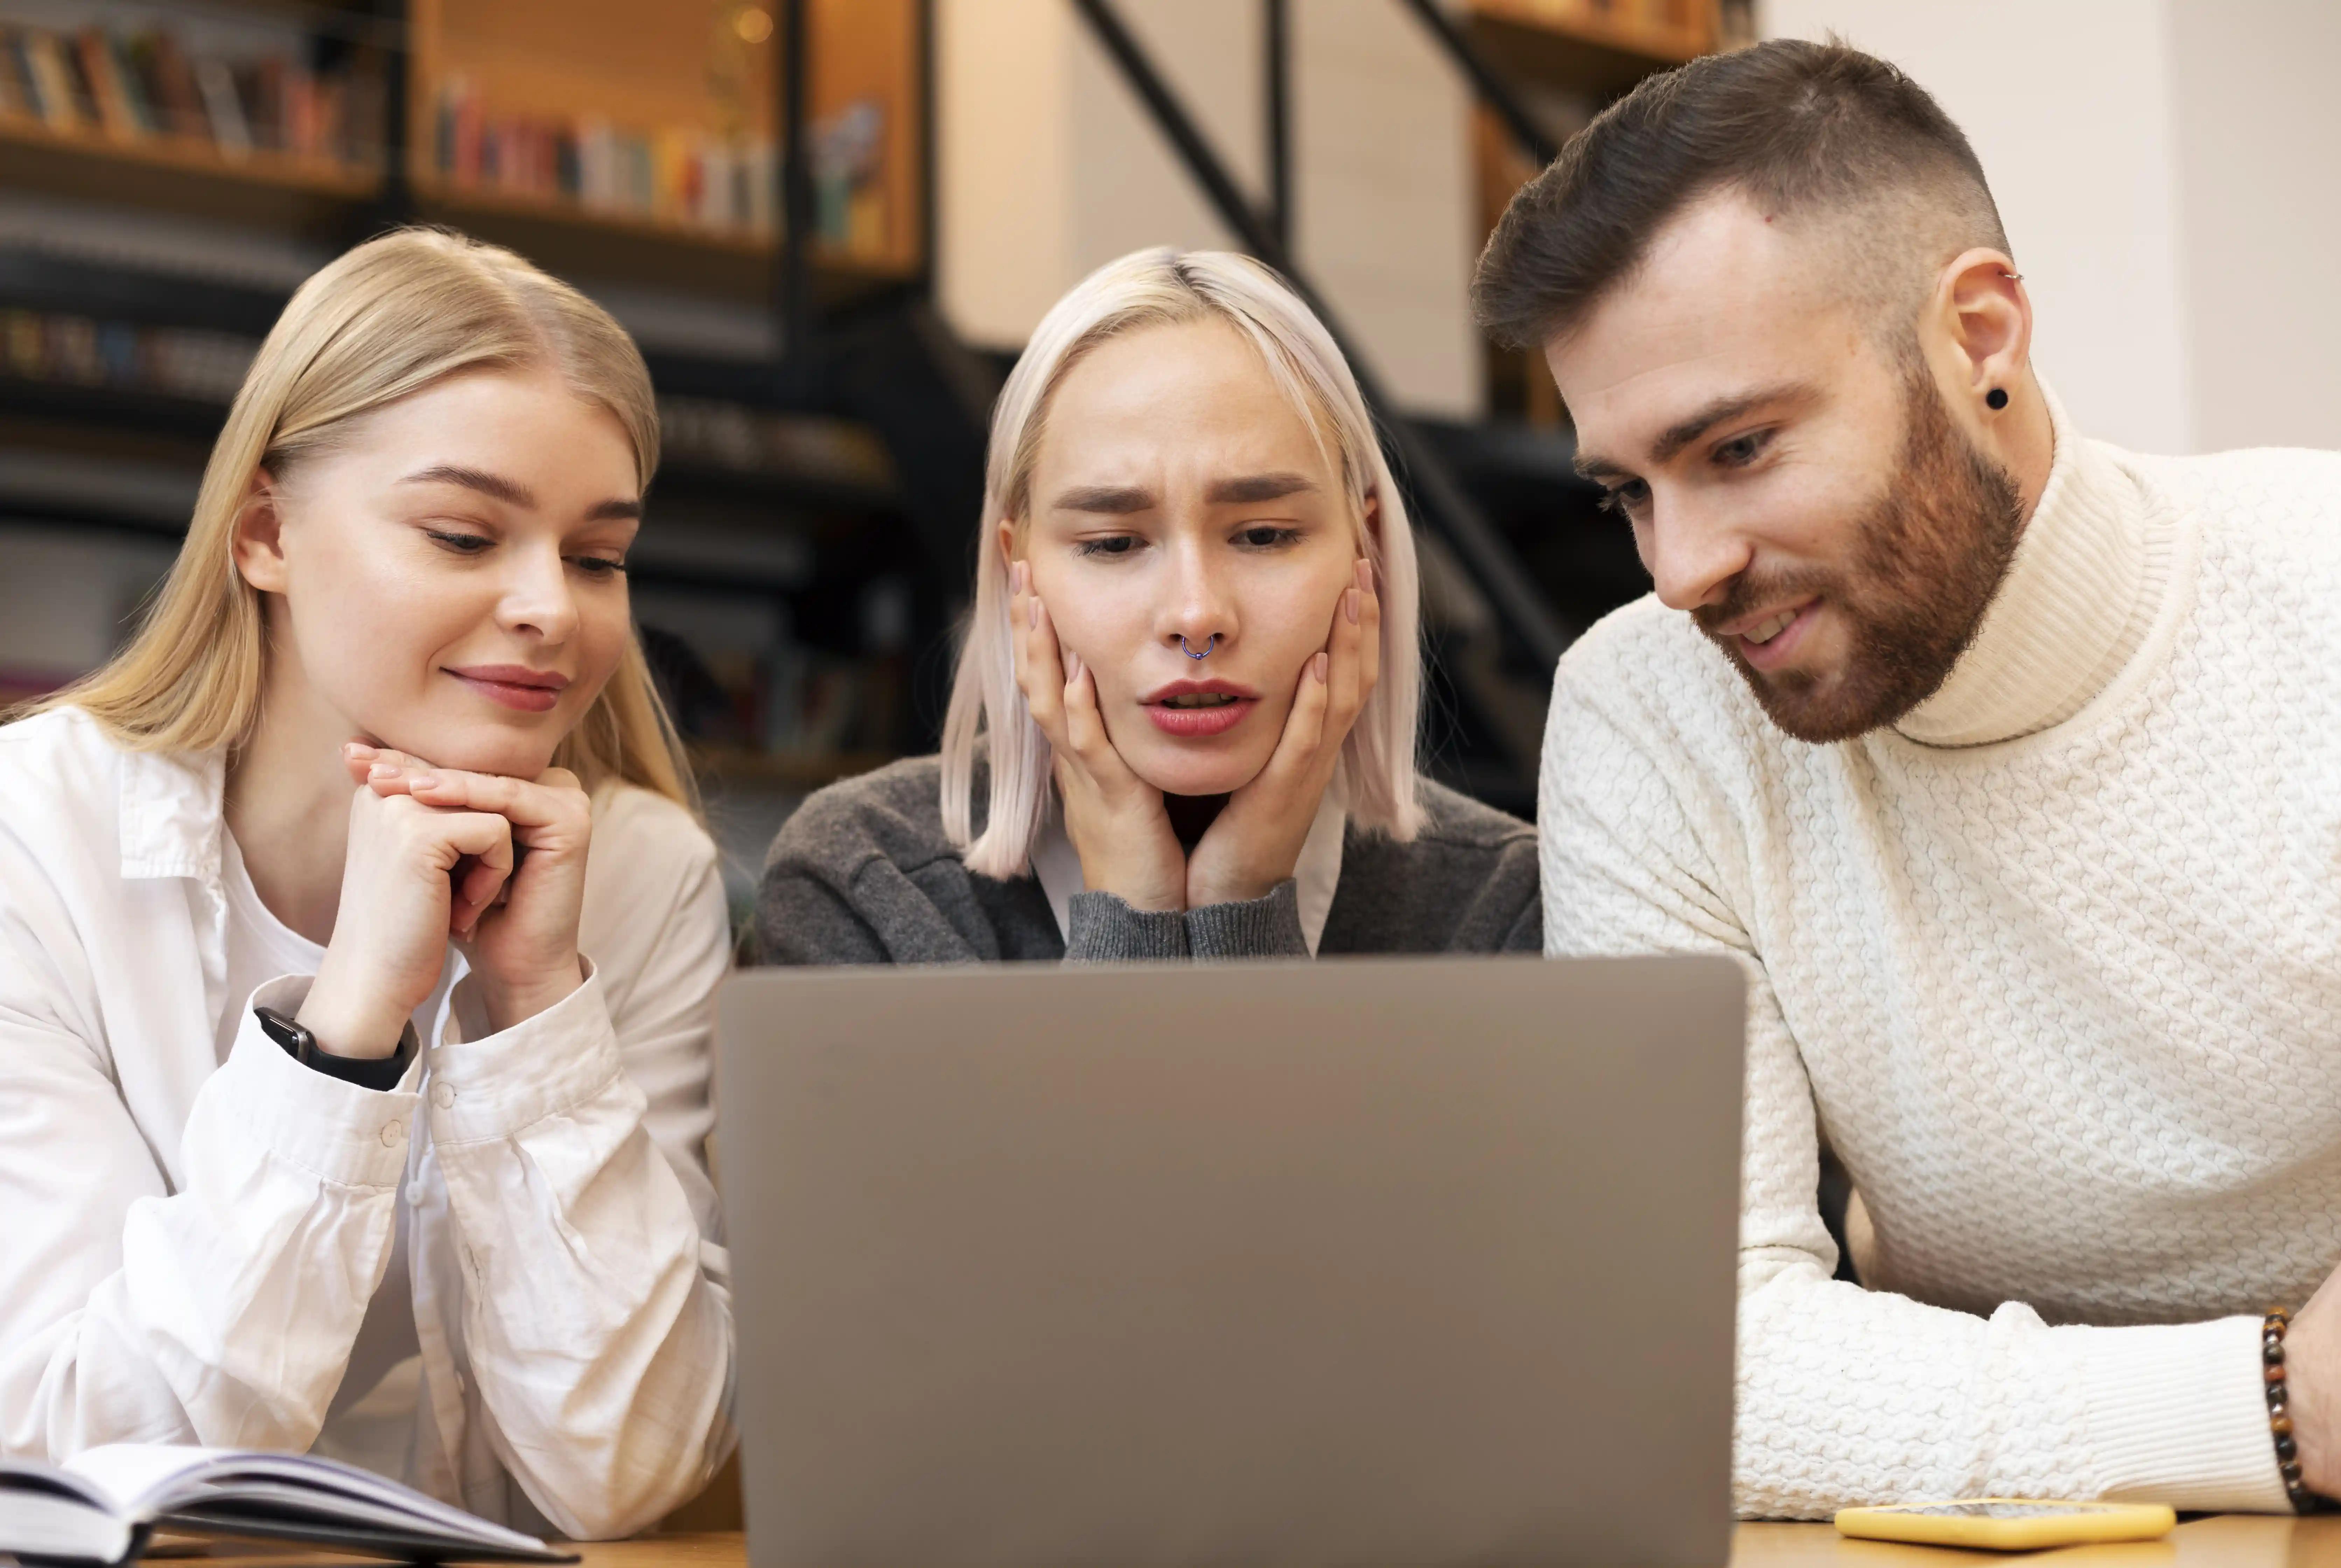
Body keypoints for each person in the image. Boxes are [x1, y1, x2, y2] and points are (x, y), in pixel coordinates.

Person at [1473, 38, 2341, 1518]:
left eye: (1739, 448)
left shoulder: (2327, 598)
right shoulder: (1647, 713)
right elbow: (1691, 1355)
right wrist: (2278, 1404)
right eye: (1629, 491)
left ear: (1982, 335)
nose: (1681, 570)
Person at [0, 230, 733, 1538]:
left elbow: (626, 1472)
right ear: (267, 533)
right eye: (464, 534)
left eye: (597, 555)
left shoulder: (645, 876)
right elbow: (71, 1458)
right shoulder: (32, 842)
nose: (552, 610)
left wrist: (537, 1014)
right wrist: (342, 1043)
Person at [760, 248, 1538, 963]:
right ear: (1016, 571)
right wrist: (1132, 910)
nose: (1196, 617)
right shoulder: (866, 882)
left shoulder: (1501, 905)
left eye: (1264, 534)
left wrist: (1243, 900)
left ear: (1364, 549)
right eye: (1113, 544)